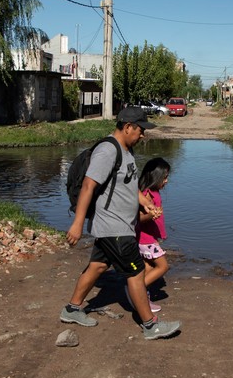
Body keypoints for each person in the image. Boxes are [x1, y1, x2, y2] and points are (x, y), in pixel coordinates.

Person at [61, 107, 182, 340]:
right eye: (140, 130)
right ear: (127, 127)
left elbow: (128, 183)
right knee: (135, 272)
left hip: (119, 226)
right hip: (114, 226)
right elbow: (88, 186)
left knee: (97, 266)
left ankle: (72, 309)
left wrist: (144, 201)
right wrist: (77, 223)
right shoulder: (108, 151)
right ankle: (150, 325)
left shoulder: (127, 151)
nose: (143, 135)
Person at [134, 157, 171, 312]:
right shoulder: (147, 195)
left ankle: (143, 296)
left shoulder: (153, 192)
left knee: (148, 267)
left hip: (147, 238)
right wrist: (151, 215)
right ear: (155, 177)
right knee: (163, 266)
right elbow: (137, 218)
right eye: (164, 177)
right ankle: (136, 291)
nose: (166, 181)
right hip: (145, 239)